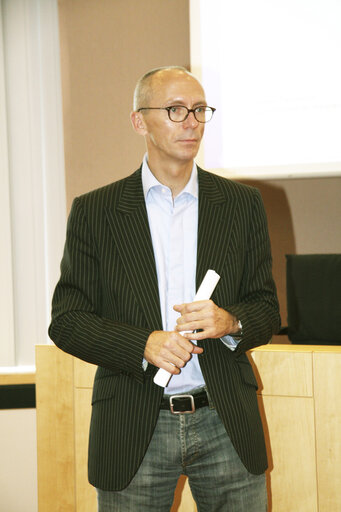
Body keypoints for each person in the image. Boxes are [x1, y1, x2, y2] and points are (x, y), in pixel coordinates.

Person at [49, 66, 280, 511]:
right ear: (139, 120)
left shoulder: (241, 205)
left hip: (224, 419)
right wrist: (144, 344)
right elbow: (67, 321)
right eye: (175, 110)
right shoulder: (95, 212)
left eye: (199, 110)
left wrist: (230, 321)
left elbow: (266, 308)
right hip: (135, 423)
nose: (191, 122)